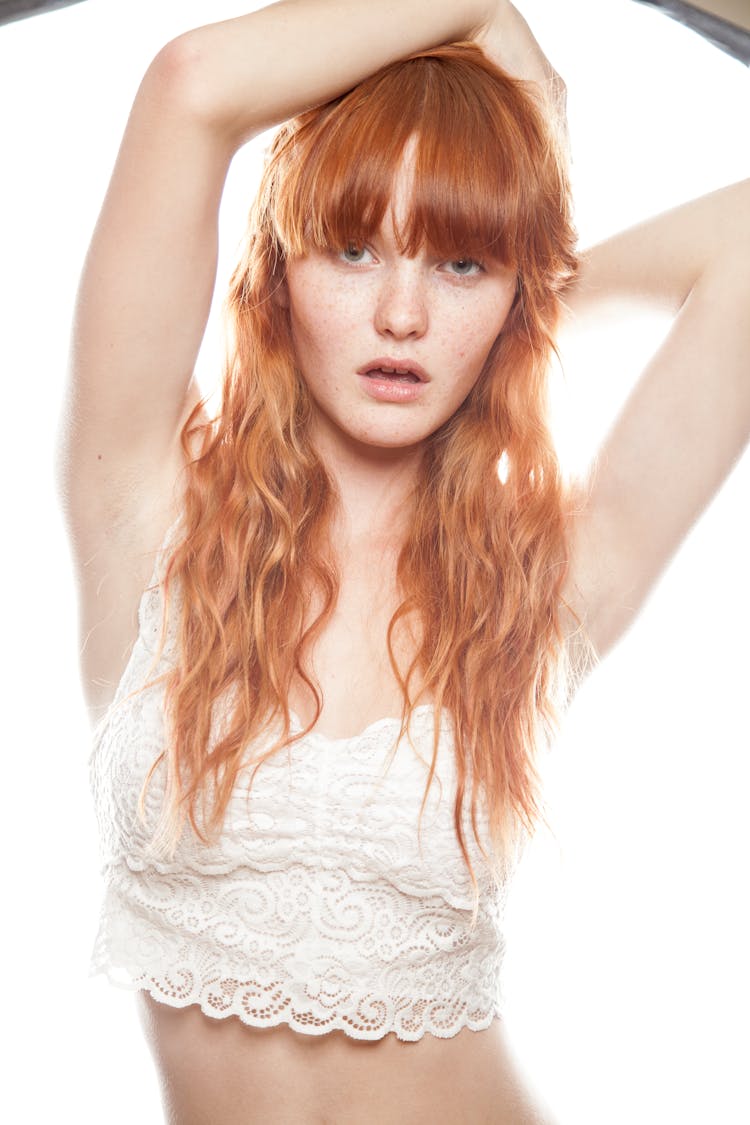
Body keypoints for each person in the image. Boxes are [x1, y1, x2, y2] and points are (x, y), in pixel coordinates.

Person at [57, 1, 750, 1122]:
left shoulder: (543, 583)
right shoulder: (153, 507)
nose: (401, 313)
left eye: (460, 263)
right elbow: (190, 85)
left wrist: (537, 283)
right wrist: (480, 7)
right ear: (280, 274)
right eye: (354, 247)